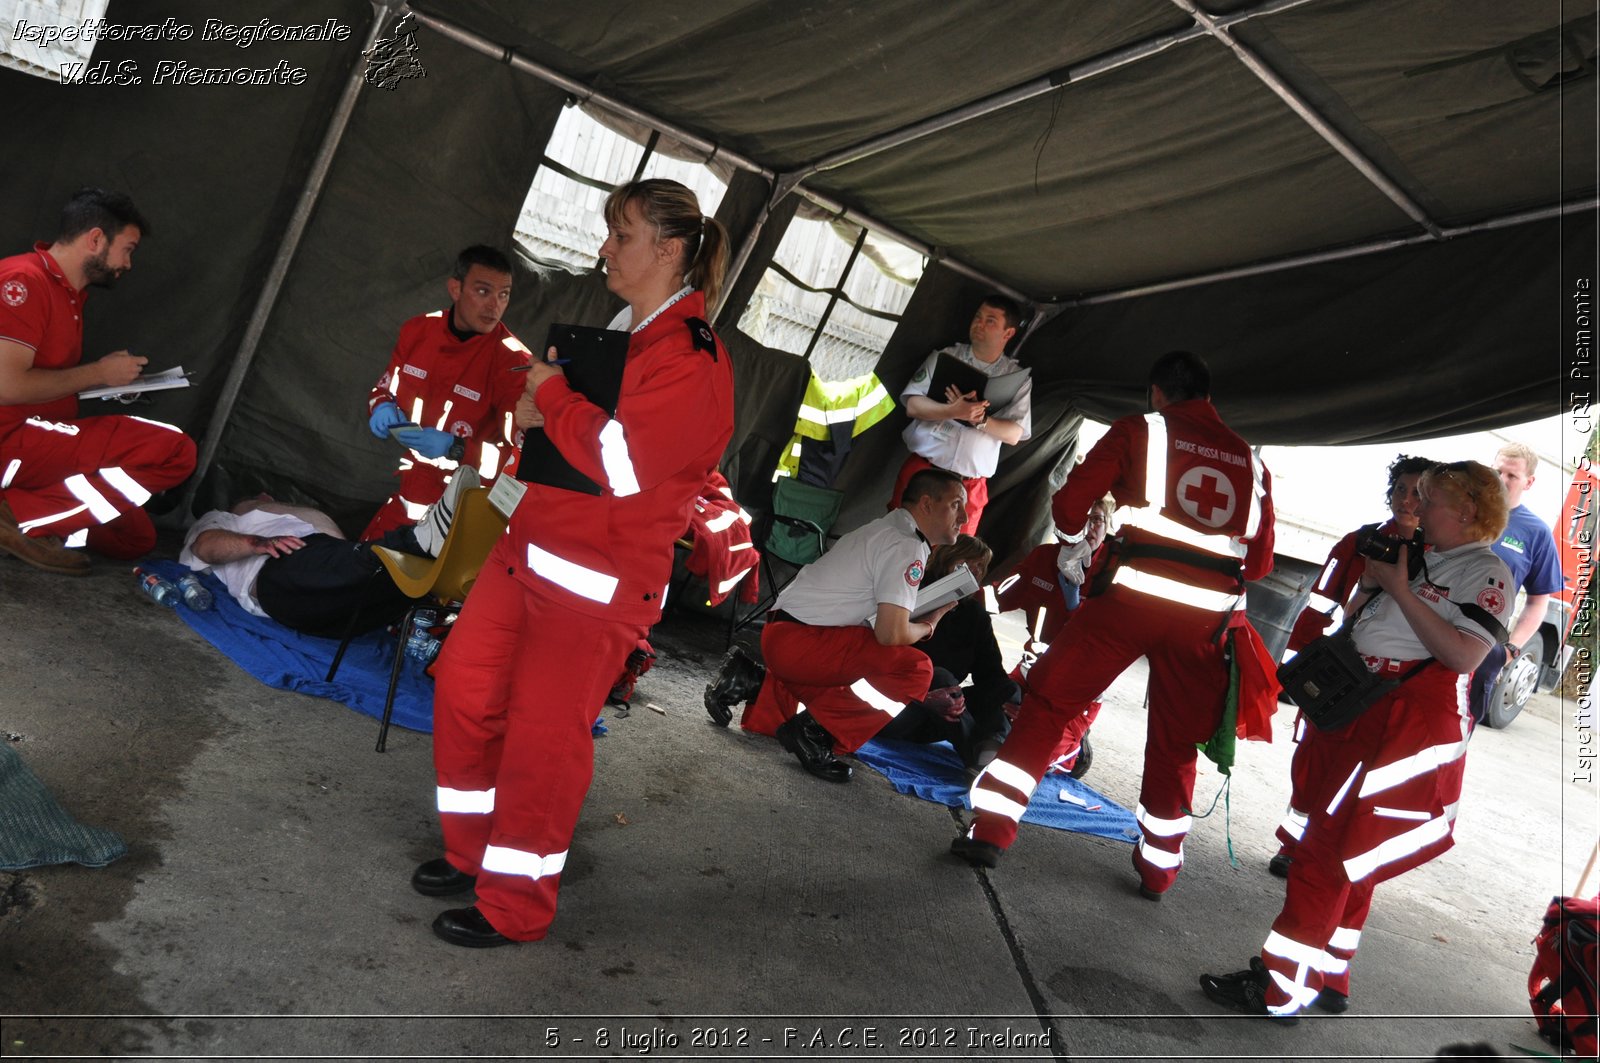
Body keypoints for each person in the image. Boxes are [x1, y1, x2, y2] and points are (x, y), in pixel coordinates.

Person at [415, 179, 735, 948]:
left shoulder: (695, 359)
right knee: (463, 692)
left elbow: (623, 465)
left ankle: (513, 904)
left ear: (668, 250)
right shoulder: (628, 333)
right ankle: (474, 853)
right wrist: (535, 414)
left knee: (542, 744)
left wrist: (551, 396)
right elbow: (573, 444)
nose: (603, 250)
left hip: (594, 590)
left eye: (619, 235)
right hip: (527, 554)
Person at [952, 350, 1275, 903]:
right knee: (1175, 742)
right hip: (1206, 621)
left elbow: (1071, 504)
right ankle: (1158, 870)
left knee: (1049, 703)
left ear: (1157, 393)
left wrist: (1081, 538)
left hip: (1127, 602)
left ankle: (992, 830)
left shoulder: (1140, 431)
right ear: (1209, 396)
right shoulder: (1252, 462)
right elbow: (1261, 563)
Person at [1201, 461, 1511, 1021]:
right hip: (1360, 705)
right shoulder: (1418, 556)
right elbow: (1356, 622)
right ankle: (1329, 974)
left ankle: (1279, 990)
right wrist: (1373, 587)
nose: (1415, 507)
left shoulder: (1485, 573)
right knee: (1353, 856)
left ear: (1466, 510)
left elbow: (1464, 654)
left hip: (1402, 724)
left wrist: (1397, 587)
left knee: (1326, 854)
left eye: (1429, 499)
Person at [707, 468, 968, 783]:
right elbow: (890, 634)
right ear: (926, 504)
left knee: (835, 696)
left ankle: (750, 681)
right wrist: (930, 624)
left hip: (785, 636)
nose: (965, 516)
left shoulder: (889, 529)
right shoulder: (906, 545)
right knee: (915, 670)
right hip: (801, 642)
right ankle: (816, 733)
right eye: (956, 504)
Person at [0, 188, 196, 574]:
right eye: (128, 248)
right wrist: (97, 373)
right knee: (177, 451)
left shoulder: (70, 295)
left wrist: (107, 384)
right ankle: (16, 517)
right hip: (11, 438)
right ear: (95, 239)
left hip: (41, 442)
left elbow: (46, 379)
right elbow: (6, 386)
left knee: (134, 540)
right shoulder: (23, 281)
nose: (129, 263)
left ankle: (28, 512)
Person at [1269, 454, 1435, 878]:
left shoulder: (1443, 558)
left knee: (1364, 774)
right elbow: (1317, 610)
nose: (1406, 500)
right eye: (1400, 488)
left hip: (1392, 686)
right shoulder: (1357, 542)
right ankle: (1294, 844)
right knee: (1311, 760)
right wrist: (1294, 674)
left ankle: (1336, 854)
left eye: (1418, 493)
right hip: (1339, 671)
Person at [180, 469, 477, 637]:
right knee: (363, 560)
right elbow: (205, 546)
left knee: (393, 582)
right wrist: (255, 543)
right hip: (280, 573)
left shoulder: (285, 517)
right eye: (262, 497)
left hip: (338, 609)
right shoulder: (227, 520)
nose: (268, 499)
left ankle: (446, 553)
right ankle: (420, 540)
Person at [362, 245, 529, 541]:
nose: (494, 306)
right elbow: (384, 389)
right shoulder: (418, 331)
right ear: (455, 288)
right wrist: (381, 407)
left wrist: (458, 449)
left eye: (503, 295)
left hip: (463, 518)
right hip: (407, 498)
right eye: (483, 292)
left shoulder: (515, 364)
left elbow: (523, 460)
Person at [992, 496, 1116, 777]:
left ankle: (1076, 750)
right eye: (1080, 518)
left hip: (1078, 688)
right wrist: (957, 594)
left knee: (1031, 752)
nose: (1088, 527)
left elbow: (1103, 642)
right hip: (1032, 670)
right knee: (986, 719)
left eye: (1096, 519)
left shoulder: (1114, 574)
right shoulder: (1044, 558)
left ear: (1108, 527)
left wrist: (1076, 607)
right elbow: (999, 596)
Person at [888, 295, 1032, 534]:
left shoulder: (1016, 379)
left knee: (953, 557)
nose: (979, 324)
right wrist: (952, 411)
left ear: (1008, 334)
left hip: (969, 485)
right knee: (897, 537)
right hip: (924, 471)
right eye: (978, 317)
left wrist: (981, 420)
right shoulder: (945, 356)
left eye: (990, 321)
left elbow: (1015, 434)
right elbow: (912, 405)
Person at [875, 534, 1018, 773]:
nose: (973, 571)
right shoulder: (912, 594)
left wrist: (1012, 702)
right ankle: (980, 759)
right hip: (897, 709)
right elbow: (879, 659)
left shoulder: (974, 616)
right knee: (937, 675)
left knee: (1008, 689)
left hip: (946, 714)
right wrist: (923, 697)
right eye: (966, 564)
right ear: (946, 559)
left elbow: (991, 674)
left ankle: (991, 752)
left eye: (979, 568)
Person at [1467, 442, 1563, 725]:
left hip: (1483, 647)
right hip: (1429, 635)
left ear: (1529, 482)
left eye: (1512, 476)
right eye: (1497, 471)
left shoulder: (1536, 533)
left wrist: (1510, 650)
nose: (1501, 480)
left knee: (1454, 735)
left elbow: (1538, 601)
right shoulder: (1462, 510)